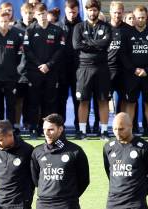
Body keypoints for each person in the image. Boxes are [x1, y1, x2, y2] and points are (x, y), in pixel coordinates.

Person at [120, 5, 148, 140]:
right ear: (133, 17)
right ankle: (129, 131)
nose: (140, 20)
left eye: (143, 18)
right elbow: (123, 54)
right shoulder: (126, 33)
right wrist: (133, 69)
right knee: (131, 103)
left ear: (147, 17)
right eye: (138, 17)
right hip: (131, 74)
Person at [22, 4, 65, 138]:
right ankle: (33, 128)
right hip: (35, 72)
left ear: (48, 13)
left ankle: (48, 129)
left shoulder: (57, 30)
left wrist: (49, 65)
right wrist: (40, 65)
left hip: (51, 72)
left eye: (44, 13)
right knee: (34, 101)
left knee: (50, 101)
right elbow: (27, 51)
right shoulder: (29, 30)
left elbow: (60, 50)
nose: (42, 16)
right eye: (39, 14)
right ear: (35, 15)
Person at [73, 0, 112, 140]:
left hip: (102, 67)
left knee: (103, 100)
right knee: (83, 100)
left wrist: (87, 43)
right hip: (84, 67)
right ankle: (82, 131)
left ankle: (104, 131)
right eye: (90, 10)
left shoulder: (106, 26)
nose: (92, 12)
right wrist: (96, 44)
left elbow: (106, 43)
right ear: (87, 11)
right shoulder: (78, 27)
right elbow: (76, 45)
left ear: (98, 11)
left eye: (95, 10)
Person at [0, 11, 24, 127]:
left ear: (10, 22)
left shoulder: (15, 36)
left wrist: (16, 71)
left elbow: (20, 56)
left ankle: (10, 129)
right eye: (2, 21)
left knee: (10, 105)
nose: (4, 24)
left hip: (10, 77)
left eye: (6, 21)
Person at [57, 0, 82, 134]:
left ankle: (80, 126)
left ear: (78, 10)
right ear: (65, 11)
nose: (72, 14)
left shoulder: (84, 25)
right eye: (69, 12)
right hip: (62, 69)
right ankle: (60, 127)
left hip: (79, 69)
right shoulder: (58, 26)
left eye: (74, 11)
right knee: (61, 99)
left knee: (79, 98)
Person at [107, 1, 127, 116]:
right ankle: (100, 126)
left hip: (124, 70)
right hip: (107, 69)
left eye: (119, 13)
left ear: (123, 13)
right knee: (104, 99)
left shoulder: (128, 29)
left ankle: (121, 122)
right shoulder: (104, 28)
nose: (117, 15)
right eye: (115, 12)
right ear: (110, 12)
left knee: (124, 98)